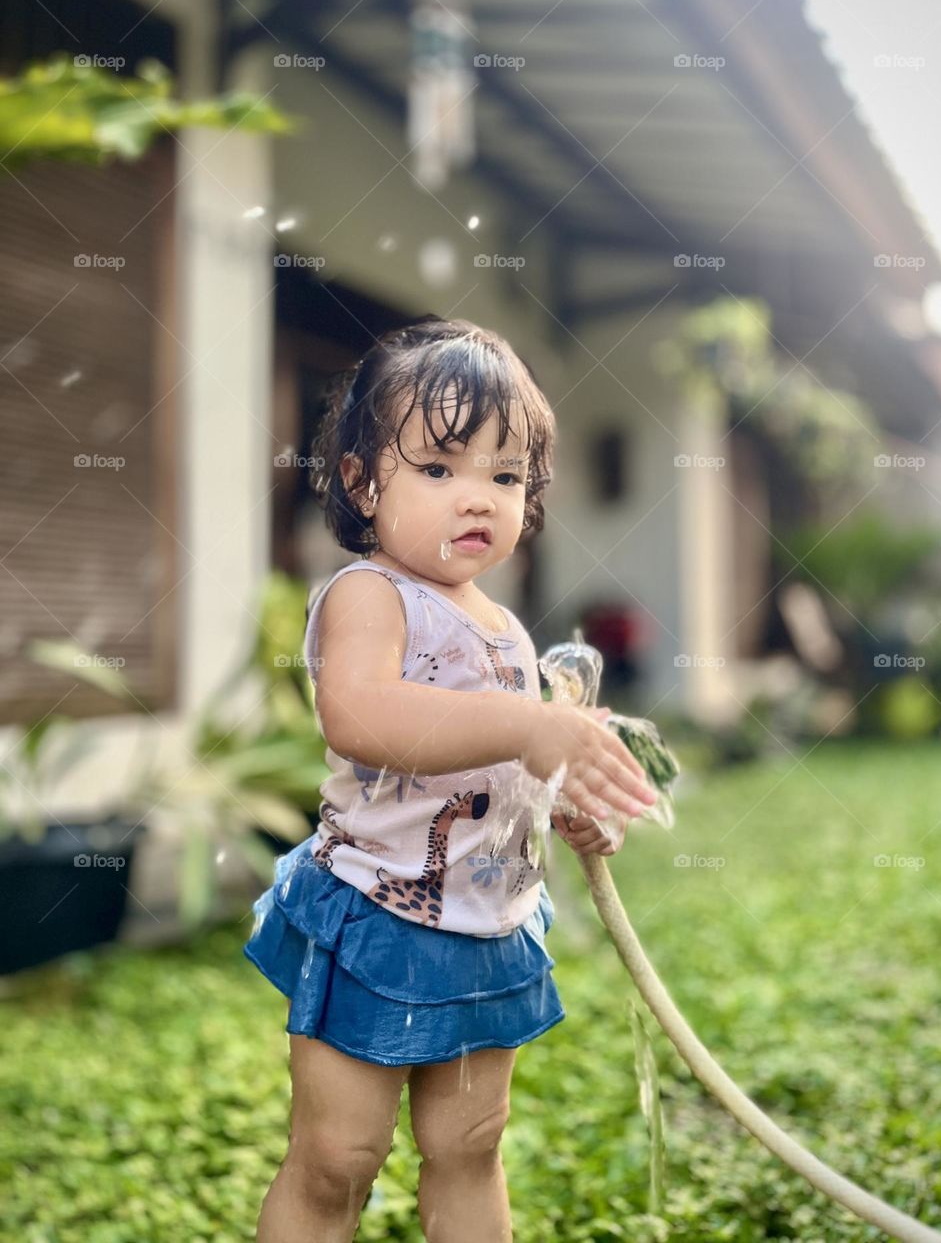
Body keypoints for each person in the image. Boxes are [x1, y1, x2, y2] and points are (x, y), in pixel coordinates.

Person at [243, 316, 658, 1243]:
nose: (477, 497)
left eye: (504, 476)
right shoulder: (368, 596)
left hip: (484, 931)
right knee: (339, 1153)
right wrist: (527, 724)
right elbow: (363, 717)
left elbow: (509, 773)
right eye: (438, 468)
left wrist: (569, 809)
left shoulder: (508, 633)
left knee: (471, 1143)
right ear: (361, 481)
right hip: (377, 920)